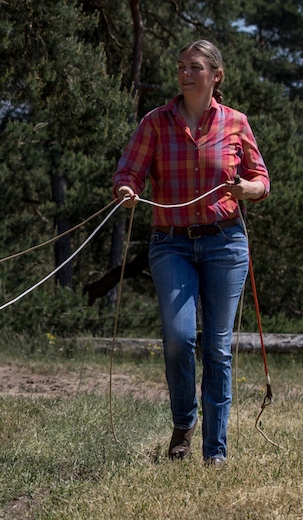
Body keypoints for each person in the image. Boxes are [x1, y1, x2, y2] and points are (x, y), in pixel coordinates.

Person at [113, 40, 270, 465]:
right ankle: (185, 421)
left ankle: (214, 452)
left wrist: (248, 188)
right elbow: (129, 170)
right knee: (179, 337)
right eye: (181, 66)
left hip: (225, 242)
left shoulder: (236, 123)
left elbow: (261, 179)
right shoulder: (156, 122)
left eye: (195, 67)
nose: (184, 73)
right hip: (171, 244)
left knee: (217, 348)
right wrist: (127, 188)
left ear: (215, 76)